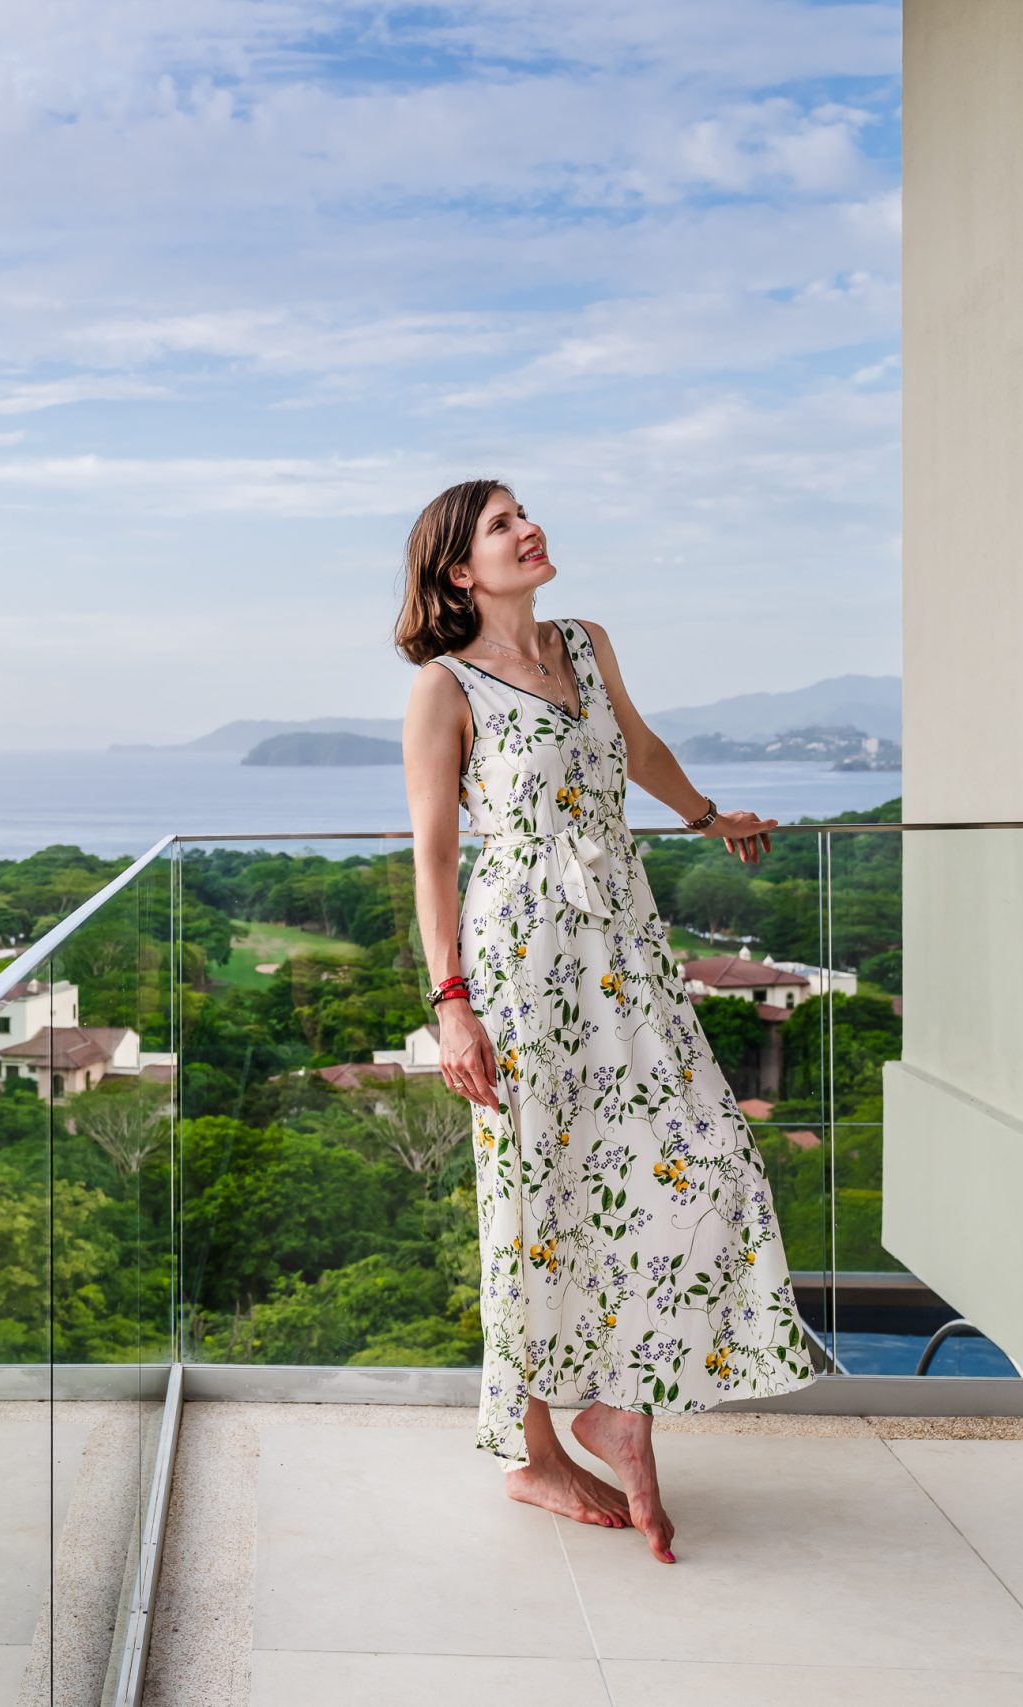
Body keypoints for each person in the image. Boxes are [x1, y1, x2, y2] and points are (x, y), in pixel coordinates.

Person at [396, 478, 818, 1563]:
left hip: (624, 949)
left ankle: (615, 1406)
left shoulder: (583, 642)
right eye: (500, 525)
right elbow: (435, 858)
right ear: (458, 569)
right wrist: (451, 1006)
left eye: (523, 513)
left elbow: (632, 742)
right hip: (520, 961)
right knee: (536, 1187)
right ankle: (533, 1452)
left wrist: (703, 816)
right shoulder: (445, 691)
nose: (527, 528)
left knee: (708, 1161)